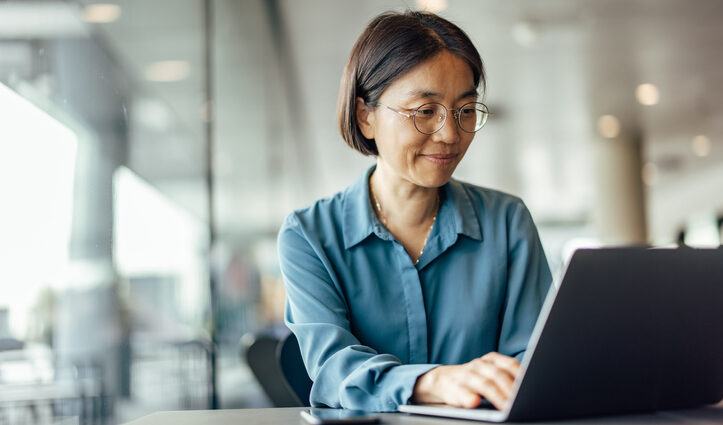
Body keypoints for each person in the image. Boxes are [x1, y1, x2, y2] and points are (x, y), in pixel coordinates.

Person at [277, 10, 552, 412]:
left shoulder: (507, 222)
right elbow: (334, 369)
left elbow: (533, 360)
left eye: (465, 110)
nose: (450, 135)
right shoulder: (309, 235)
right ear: (365, 116)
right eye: (425, 111)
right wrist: (434, 381)